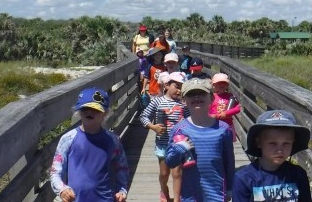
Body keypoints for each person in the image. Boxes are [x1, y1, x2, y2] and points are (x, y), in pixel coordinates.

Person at [50, 87, 129, 202]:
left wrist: (122, 190)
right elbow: (56, 171)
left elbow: (122, 168)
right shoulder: (68, 139)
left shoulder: (112, 140)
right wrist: (62, 189)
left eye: (96, 109)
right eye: (85, 108)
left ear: (105, 113)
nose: (89, 112)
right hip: (75, 199)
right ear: (78, 111)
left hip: (104, 198)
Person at [166, 77, 235, 202]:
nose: (196, 97)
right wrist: (180, 148)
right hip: (189, 195)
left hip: (216, 193)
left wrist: (230, 188)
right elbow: (170, 161)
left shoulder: (223, 129)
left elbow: (229, 161)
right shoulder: (179, 129)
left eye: (202, 93)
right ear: (184, 100)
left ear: (212, 98)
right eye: (191, 94)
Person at [232, 110, 312, 202]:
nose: (280, 150)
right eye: (273, 143)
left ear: (293, 143)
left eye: (286, 143)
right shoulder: (244, 178)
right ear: (259, 142)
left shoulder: (299, 174)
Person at [140, 72, 189, 202]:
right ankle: (164, 189)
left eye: (182, 87)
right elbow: (143, 117)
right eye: (176, 86)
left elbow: (190, 119)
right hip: (163, 143)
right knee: (164, 173)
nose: (179, 90)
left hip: (179, 144)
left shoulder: (184, 104)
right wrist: (153, 127)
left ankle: (177, 198)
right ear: (166, 85)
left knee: (177, 172)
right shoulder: (157, 101)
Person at [209, 73, 241, 141]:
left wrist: (226, 113)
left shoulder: (230, 97)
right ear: (213, 85)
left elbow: (238, 108)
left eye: (224, 83)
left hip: (228, 125)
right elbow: (207, 110)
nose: (222, 85)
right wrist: (214, 116)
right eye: (219, 83)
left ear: (227, 85)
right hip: (215, 125)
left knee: (228, 145)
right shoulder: (211, 97)